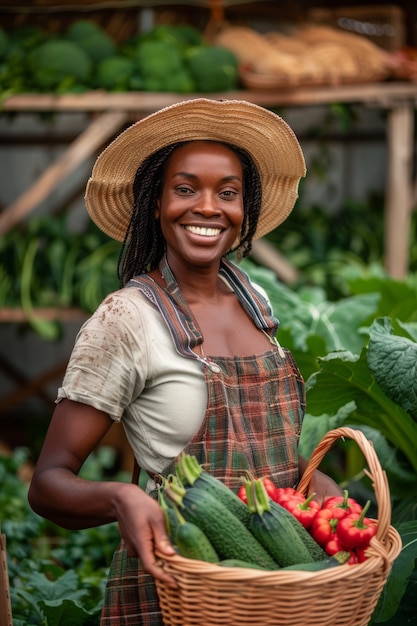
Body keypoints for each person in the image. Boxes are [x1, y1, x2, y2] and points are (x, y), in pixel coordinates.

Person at [28, 98, 342, 625]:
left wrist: (314, 486)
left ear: (246, 207)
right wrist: (120, 501)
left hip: (282, 589)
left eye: (228, 193)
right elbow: (48, 483)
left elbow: (270, 458)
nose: (208, 207)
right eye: (185, 188)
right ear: (155, 202)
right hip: (178, 590)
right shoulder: (125, 319)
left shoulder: (257, 302)